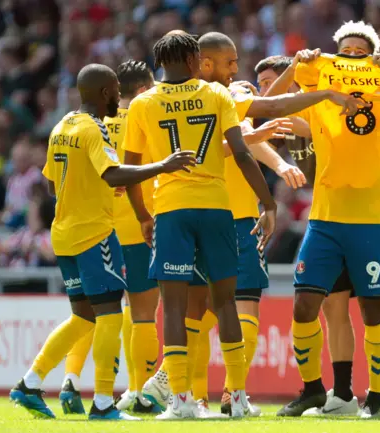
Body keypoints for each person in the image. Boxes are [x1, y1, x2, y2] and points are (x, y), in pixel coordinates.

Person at [141, 30, 362, 416]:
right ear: (204, 62)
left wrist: (277, 162)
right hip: (228, 213)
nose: (236, 71)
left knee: (204, 306)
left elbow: (248, 133)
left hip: (185, 211)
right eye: (231, 64)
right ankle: (214, 392)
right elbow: (261, 117)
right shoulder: (221, 95)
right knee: (226, 305)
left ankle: (195, 392)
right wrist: (274, 173)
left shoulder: (175, 99)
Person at [8, 63, 196, 422]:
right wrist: (163, 166)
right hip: (94, 233)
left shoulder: (62, 125)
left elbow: (52, 183)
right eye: (113, 91)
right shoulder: (94, 130)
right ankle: (104, 404)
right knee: (111, 314)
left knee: (83, 317)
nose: (117, 97)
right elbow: (112, 174)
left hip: (63, 234)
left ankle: (30, 383)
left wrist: (88, 185)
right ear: (105, 91)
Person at [274, 21, 380, 418]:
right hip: (324, 220)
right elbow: (267, 101)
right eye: (344, 51)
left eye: (358, 52)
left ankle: (379, 397)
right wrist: (295, 65)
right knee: (302, 307)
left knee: (373, 312)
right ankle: (314, 390)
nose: (350, 57)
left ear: (372, 58)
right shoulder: (319, 95)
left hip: (369, 223)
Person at [124, 31, 277, 420]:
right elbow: (242, 154)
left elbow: (130, 170)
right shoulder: (217, 96)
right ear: (195, 60)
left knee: (173, 309)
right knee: (225, 302)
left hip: (172, 211)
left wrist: (143, 216)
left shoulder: (143, 104)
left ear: (160, 62)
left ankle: (180, 401)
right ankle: (237, 397)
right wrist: (268, 202)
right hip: (216, 209)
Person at [253, 54, 364, 416]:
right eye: (261, 85)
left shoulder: (320, 106)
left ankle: (357, 393)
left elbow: (293, 117)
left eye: (269, 83)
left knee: (349, 309)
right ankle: (321, 390)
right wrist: (281, 164)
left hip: (355, 216)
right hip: (325, 219)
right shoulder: (292, 116)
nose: (264, 91)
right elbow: (256, 131)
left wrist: (292, 75)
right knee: (312, 304)